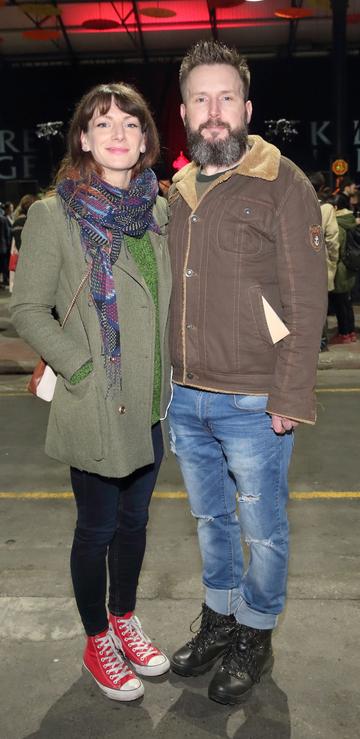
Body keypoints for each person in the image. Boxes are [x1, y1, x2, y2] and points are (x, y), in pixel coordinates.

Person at [167, 40, 327, 705]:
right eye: (201, 99)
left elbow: (307, 295)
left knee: (263, 525)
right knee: (211, 522)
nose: (214, 111)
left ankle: (256, 633)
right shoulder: (175, 191)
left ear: (247, 107)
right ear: (184, 112)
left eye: (226, 97)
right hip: (185, 395)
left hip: (256, 397)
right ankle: (221, 617)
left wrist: (289, 390)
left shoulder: (283, 181)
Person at [11, 82, 172, 702]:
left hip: (153, 401)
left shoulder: (155, 210)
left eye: (130, 124)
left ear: (145, 140)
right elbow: (28, 308)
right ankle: (96, 635)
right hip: (97, 400)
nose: (117, 134)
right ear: (83, 138)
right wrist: (78, 369)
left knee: (136, 523)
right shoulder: (55, 214)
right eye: (103, 123)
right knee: (97, 528)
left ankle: (126, 618)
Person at [308, 172, 340, 351]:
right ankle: (320, 341)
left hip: (296, 264)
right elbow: (332, 238)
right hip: (320, 263)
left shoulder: (296, 204)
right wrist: (333, 261)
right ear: (321, 187)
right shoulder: (326, 209)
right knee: (319, 304)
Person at [329, 193, 358, 344]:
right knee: (347, 301)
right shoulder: (351, 220)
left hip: (340, 269)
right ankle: (351, 332)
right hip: (350, 267)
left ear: (335, 207)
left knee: (340, 302)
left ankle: (344, 333)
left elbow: (336, 247)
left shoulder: (338, 224)